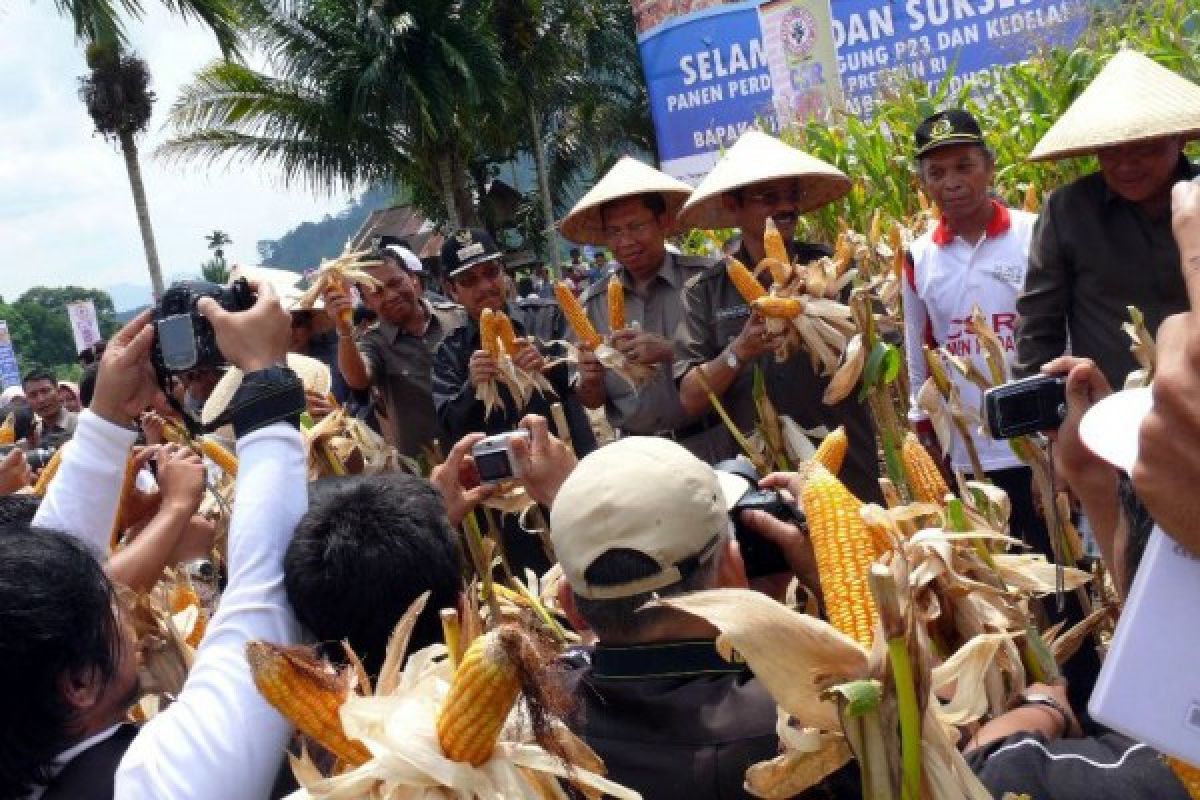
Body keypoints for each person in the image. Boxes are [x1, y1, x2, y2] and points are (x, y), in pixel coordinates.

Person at [0, 283, 308, 800]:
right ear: (78, 684)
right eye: (110, 604)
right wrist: (265, 374)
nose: (123, 593)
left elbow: (47, 578)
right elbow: (262, 603)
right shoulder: (154, 787)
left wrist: (105, 417)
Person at [541, 433, 854, 799]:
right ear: (732, 572)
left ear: (569, 606)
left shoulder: (537, 723)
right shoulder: (808, 733)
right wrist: (829, 584)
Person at [674, 130, 882, 502]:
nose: (785, 207)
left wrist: (830, 322)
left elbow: (882, 354)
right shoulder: (706, 291)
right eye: (769, 197)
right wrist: (739, 351)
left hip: (845, 459)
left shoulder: (831, 270)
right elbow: (690, 397)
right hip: (759, 470)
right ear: (733, 205)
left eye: (791, 195)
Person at [1016, 50, 1200, 389]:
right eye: (1111, 151)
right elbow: (1039, 326)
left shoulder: (1197, 197)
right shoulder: (1068, 212)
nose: (1126, 166)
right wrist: (1044, 414)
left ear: (1181, 136)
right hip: (1112, 414)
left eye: (1144, 147)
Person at [902, 110, 1045, 547]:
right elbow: (918, 353)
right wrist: (924, 433)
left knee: (1061, 576)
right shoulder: (918, 257)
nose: (952, 181)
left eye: (965, 166)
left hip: (1041, 442)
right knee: (994, 584)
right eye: (937, 172)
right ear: (923, 184)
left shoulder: (1034, 234)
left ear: (989, 167)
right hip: (968, 452)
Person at [559, 156, 727, 461]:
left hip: (710, 443)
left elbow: (736, 357)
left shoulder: (707, 281)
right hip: (637, 457)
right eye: (614, 232)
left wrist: (670, 350)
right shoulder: (591, 305)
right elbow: (592, 400)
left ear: (663, 222)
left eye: (636, 226)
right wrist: (591, 377)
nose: (625, 242)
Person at [431, 228, 597, 455]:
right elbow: (449, 425)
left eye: (491, 272)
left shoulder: (548, 317)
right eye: (469, 280)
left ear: (504, 272)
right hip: (502, 477)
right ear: (452, 290)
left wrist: (546, 366)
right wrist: (472, 387)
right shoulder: (449, 352)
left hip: (568, 457)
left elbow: (585, 384)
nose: (485, 286)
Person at [322, 249, 466, 458]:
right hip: (429, 470)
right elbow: (358, 379)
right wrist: (343, 329)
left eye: (395, 283)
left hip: (483, 450)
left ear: (413, 279)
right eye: (377, 291)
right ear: (367, 302)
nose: (390, 295)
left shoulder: (458, 318)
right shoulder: (374, 342)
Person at [23, 369, 77, 440]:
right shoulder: (37, 433)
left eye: (45, 391)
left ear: (57, 391)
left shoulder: (79, 425)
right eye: (33, 395)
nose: (41, 400)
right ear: (27, 400)